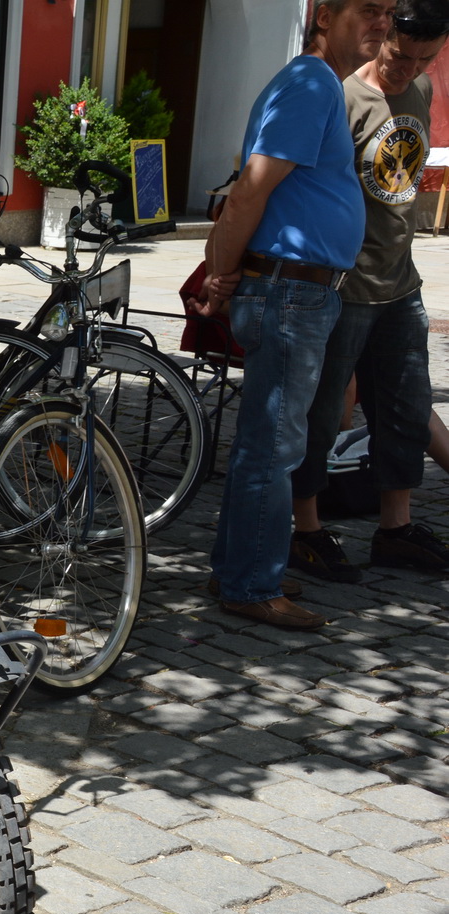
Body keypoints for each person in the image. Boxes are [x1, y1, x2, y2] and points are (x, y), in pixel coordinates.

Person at [189, 0, 395, 630]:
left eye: (388, 12)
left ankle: (237, 572)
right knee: (273, 446)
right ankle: (251, 584)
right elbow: (252, 185)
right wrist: (220, 274)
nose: (381, 24)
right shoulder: (310, 82)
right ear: (326, 15)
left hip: (297, 290)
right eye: (369, 10)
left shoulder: (315, 84)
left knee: (269, 442)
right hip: (288, 292)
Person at [288, 0, 449, 575]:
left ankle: (395, 528)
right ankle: (305, 528)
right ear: (383, 34)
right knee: (324, 414)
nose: (407, 68)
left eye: (423, 59)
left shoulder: (421, 92)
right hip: (344, 288)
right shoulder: (343, 96)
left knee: (405, 409)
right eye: (399, 55)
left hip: (400, 285)